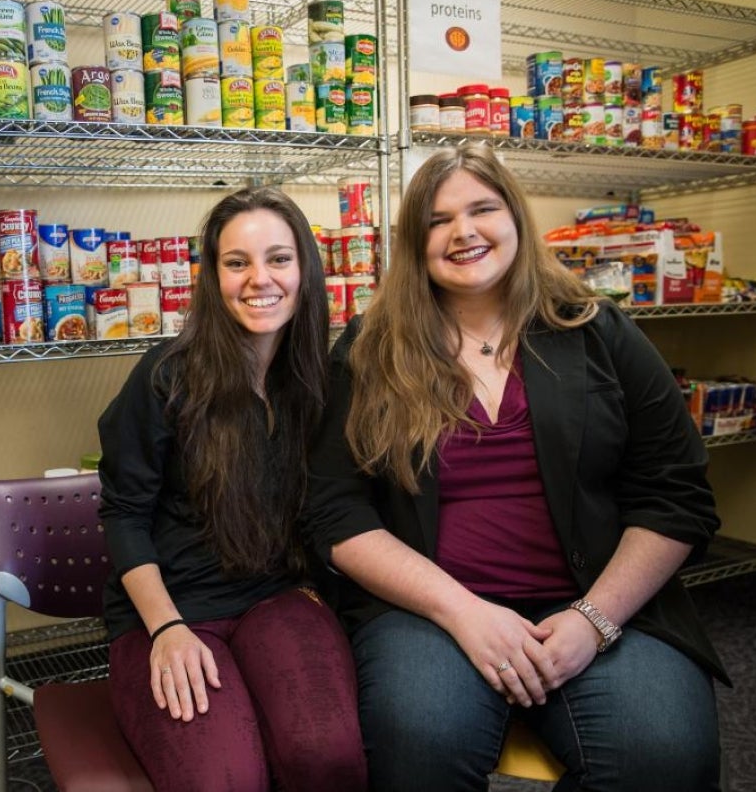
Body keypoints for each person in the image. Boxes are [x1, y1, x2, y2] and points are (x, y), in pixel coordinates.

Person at [304, 144, 727, 792]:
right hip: (432, 611)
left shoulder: (595, 329)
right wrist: (462, 611)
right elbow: (335, 510)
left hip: (597, 598)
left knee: (662, 755)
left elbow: (676, 494)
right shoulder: (371, 346)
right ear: (414, 242)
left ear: (516, 220)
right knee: (420, 747)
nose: (463, 232)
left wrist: (595, 619)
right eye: (438, 221)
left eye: (482, 209)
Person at [98, 186, 369, 792]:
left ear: (305, 269)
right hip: (170, 610)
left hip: (276, 599)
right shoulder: (168, 375)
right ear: (212, 276)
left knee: (326, 757)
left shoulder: (321, 383)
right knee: (224, 780)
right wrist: (165, 632)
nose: (259, 280)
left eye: (278, 258)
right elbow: (122, 514)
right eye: (236, 262)